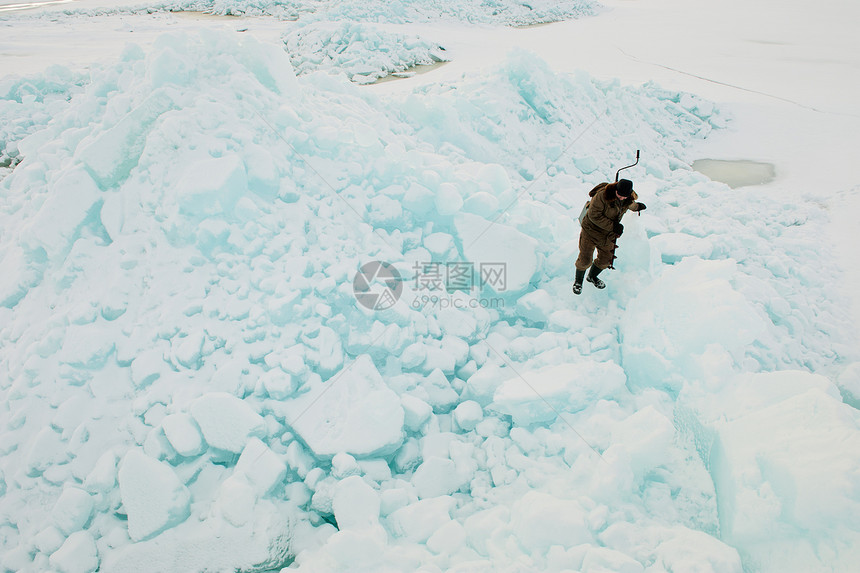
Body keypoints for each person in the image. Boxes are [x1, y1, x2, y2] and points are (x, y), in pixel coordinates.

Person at [573, 178, 646, 294]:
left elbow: (630, 204)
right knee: (585, 260)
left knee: (606, 259)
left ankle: (592, 277)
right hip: (590, 231)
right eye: (619, 195)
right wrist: (614, 226)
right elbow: (594, 216)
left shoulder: (627, 198)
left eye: (624, 196)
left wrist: (637, 207)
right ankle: (578, 282)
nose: (621, 198)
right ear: (616, 190)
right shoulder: (602, 196)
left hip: (607, 235)